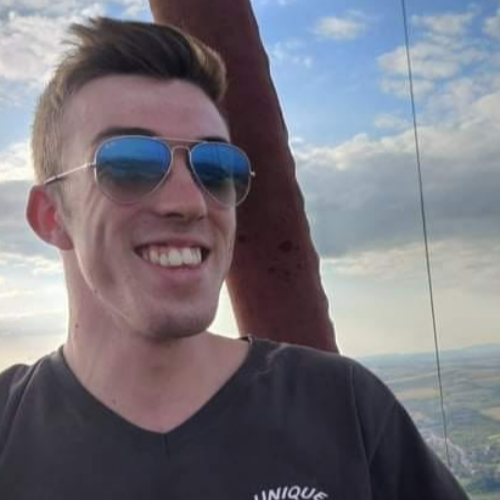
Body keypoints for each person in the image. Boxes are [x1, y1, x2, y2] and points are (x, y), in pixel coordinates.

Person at [0, 16, 468, 499]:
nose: (190, 202)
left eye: (215, 168)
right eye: (129, 165)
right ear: (52, 216)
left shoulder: (344, 409)